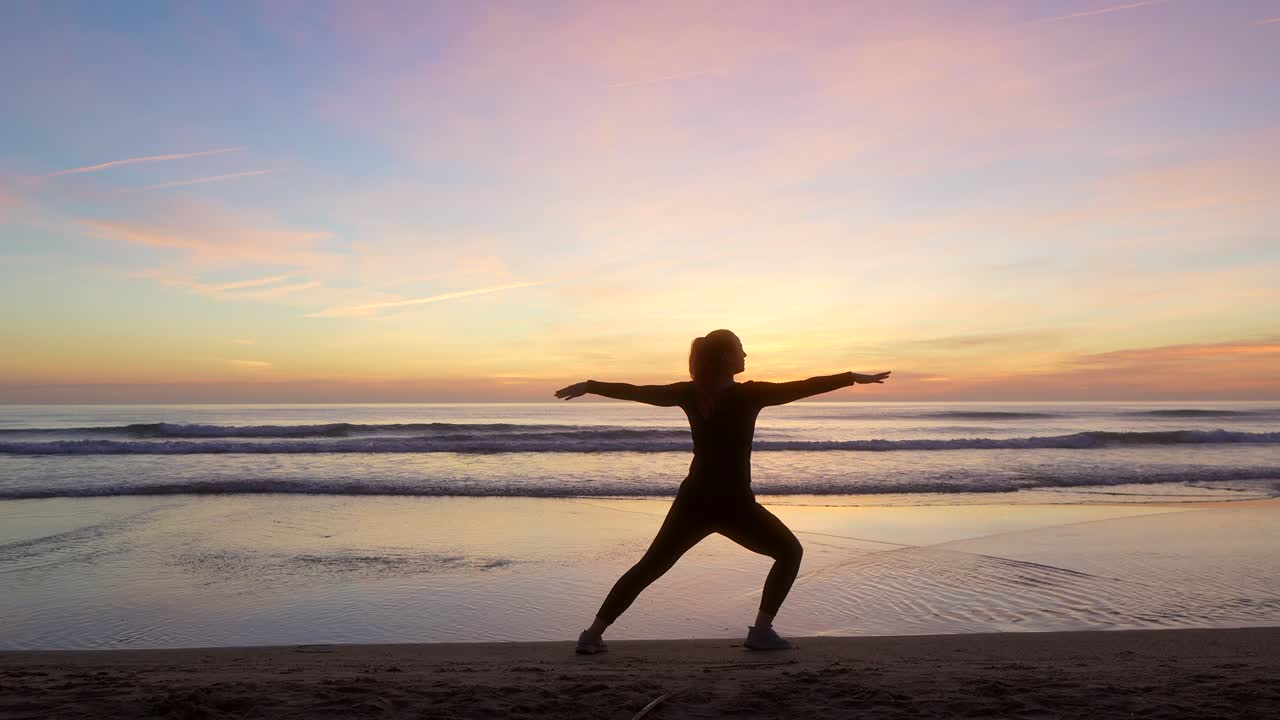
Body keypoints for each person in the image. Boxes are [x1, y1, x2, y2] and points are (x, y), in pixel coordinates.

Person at [554, 329, 890, 653]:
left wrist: (591, 385)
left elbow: (639, 391)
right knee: (789, 552)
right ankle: (760, 633)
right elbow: (802, 387)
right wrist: (851, 377)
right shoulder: (748, 394)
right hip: (733, 505)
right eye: (740, 348)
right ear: (727, 357)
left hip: (695, 500)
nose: (746, 354)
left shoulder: (690, 393)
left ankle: (591, 635)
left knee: (650, 566)